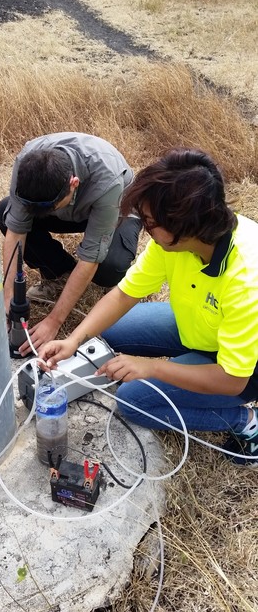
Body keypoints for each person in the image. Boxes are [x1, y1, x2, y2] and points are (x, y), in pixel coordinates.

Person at [40, 148, 258, 465]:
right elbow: (123, 295)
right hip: (199, 323)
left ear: (185, 224)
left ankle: (245, 421)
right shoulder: (171, 243)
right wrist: (75, 339)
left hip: (243, 369)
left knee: (133, 402)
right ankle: (189, 361)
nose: (144, 228)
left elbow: (232, 378)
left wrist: (152, 367)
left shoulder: (246, 279)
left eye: (150, 221)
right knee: (106, 331)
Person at [0, 132, 142, 355]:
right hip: (68, 208)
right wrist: (8, 298)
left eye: (51, 206)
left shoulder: (107, 179)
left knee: (109, 269)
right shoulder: (26, 162)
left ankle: (103, 277)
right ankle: (59, 273)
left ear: (74, 184)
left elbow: (90, 257)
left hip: (116, 210)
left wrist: (54, 321)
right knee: (3, 212)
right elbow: (16, 231)